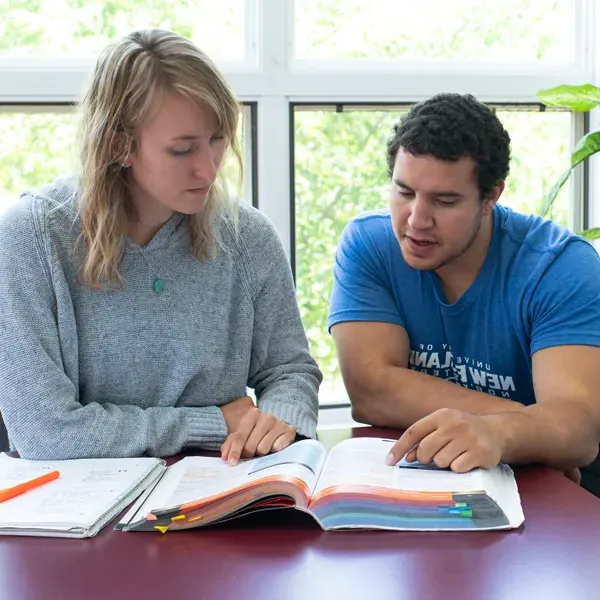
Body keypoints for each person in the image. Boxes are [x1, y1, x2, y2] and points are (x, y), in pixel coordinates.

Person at [0, 29, 321, 463]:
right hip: (80, 513)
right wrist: (214, 422)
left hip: (220, 493)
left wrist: (281, 418)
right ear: (119, 145)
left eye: (218, 139)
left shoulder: (248, 236)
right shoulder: (29, 240)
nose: (208, 170)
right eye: (182, 150)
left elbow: (291, 371)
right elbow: (47, 433)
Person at [328, 93, 600, 481]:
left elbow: (578, 429)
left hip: (545, 491)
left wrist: (501, 433)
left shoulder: (561, 266)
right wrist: (533, 429)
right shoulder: (368, 244)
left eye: (445, 201)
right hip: (420, 475)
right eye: (404, 192)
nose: (417, 220)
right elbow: (371, 391)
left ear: (491, 196)